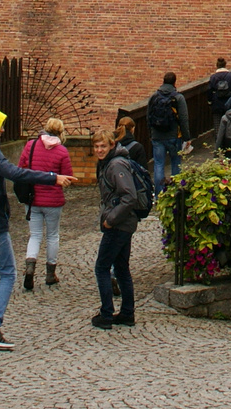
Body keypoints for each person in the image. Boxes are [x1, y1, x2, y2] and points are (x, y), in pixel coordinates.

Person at [0, 106, 75, 350]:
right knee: (8, 273)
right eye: (0, 125)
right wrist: (52, 177)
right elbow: (15, 173)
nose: (3, 129)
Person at [91, 136, 148, 330]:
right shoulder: (110, 163)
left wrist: (110, 219)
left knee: (102, 267)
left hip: (119, 224)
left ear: (111, 146)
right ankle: (127, 312)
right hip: (123, 223)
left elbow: (129, 196)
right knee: (122, 268)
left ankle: (106, 313)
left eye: (103, 146)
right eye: (97, 146)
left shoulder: (115, 165)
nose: (99, 150)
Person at [20, 118, 73, 293]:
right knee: (52, 236)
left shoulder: (31, 146)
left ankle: (30, 267)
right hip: (53, 200)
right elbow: (67, 177)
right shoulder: (62, 151)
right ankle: (50, 274)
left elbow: (21, 168)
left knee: (34, 235)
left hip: (32, 198)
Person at [146, 73, 190, 189]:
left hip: (157, 136)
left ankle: (159, 195)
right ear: (175, 82)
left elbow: (148, 116)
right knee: (175, 163)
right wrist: (187, 137)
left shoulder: (154, 97)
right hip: (173, 135)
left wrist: (151, 134)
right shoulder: (178, 98)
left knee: (159, 165)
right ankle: (175, 193)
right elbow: (184, 119)